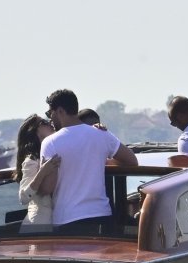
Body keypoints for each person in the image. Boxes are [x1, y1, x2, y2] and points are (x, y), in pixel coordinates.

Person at [42, 89, 138, 235]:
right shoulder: (101, 135)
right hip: (101, 215)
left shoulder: (50, 143)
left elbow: (48, 187)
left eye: (50, 113)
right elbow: (132, 161)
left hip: (67, 219)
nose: (50, 118)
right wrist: (99, 161)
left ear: (60, 111)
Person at [13, 114, 60, 228]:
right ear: (35, 132)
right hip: (38, 225)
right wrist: (43, 171)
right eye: (44, 122)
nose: (49, 122)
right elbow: (23, 198)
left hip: (59, 223)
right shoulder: (32, 161)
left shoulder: (56, 151)